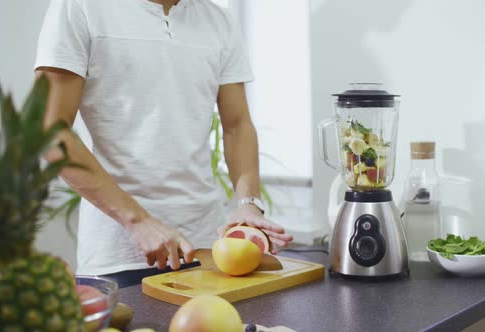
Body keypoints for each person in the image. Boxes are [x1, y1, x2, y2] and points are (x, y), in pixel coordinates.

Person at [35, 0, 293, 279]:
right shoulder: (80, 7)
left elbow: (237, 125)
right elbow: (49, 131)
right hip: (119, 256)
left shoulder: (220, 19)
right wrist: (138, 221)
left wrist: (249, 204)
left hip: (209, 250)